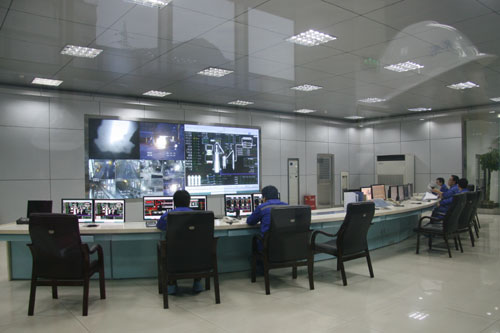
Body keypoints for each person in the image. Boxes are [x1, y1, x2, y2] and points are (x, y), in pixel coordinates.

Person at [156, 190, 203, 295]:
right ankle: (197, 283)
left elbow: (159, 226)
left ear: (174, 202)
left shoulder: (168, 215)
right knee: (196, 249)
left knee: (164, 247)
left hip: (174, 255)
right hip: (196, 256)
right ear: (189, 202)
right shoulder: (200, 216)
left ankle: (172, 284)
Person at [246, 185, 287, 249]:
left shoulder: (262, 207)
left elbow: (250, 222)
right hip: (284, 243)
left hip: (267, 244)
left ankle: (259, 258)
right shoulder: (287, 206)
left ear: (264, 198)